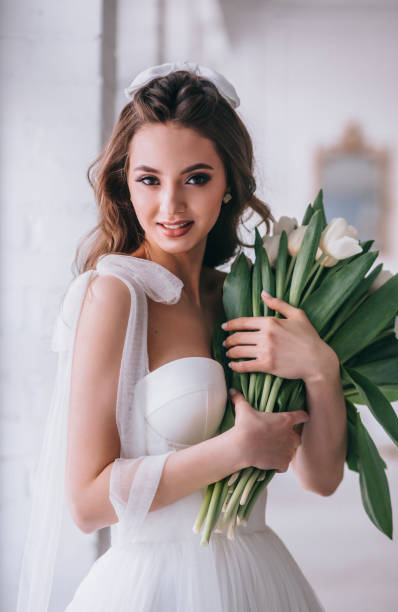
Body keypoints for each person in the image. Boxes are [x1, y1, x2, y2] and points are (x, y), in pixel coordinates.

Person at [17, 60, 347, 611]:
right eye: (149, 179)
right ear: (126, 182)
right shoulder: (116, 295)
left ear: (228, 187)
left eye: (196, 178)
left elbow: (321, 479)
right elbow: (84, 502)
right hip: (155, 586)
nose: (169, 206)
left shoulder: (245, 294)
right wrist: (237, 448)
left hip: (258, 575)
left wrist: (321, 367)